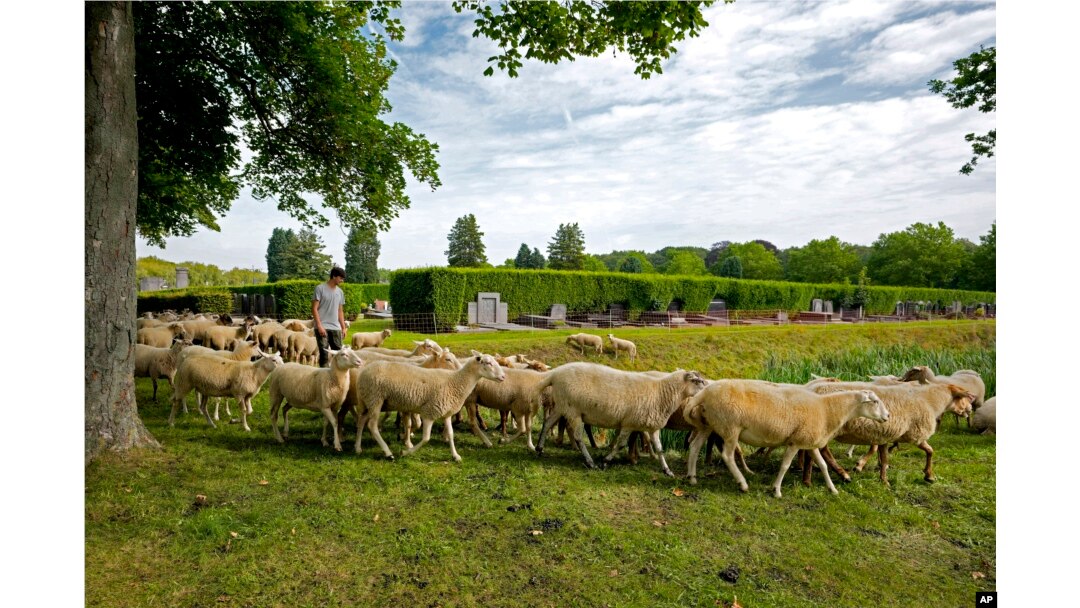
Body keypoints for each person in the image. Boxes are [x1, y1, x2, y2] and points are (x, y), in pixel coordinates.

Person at [313, 267, 347, 367]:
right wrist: (319, 326)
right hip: (322, 327)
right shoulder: (320, 288)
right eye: (341, 278)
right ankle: (323, 379)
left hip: (336, 328)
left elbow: (340, 311)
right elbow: (314, 309)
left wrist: (343, 327)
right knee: (324, 355)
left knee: (340, 355)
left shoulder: (340, 292)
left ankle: (338, 379)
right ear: (334, 276)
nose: (342, 280)